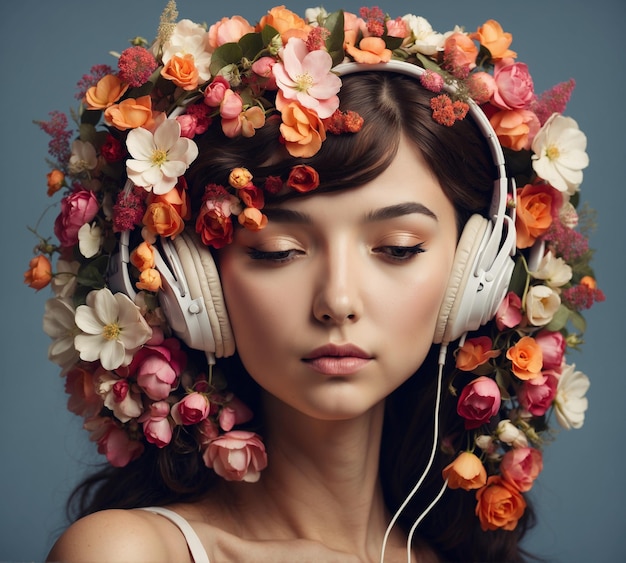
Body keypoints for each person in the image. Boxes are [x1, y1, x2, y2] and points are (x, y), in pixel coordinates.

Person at [25, 3, 602, 562]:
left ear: (475, 274)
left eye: (397, 249)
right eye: (278, 251)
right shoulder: (132, 554)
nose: (338, 301)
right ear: (191, 287)